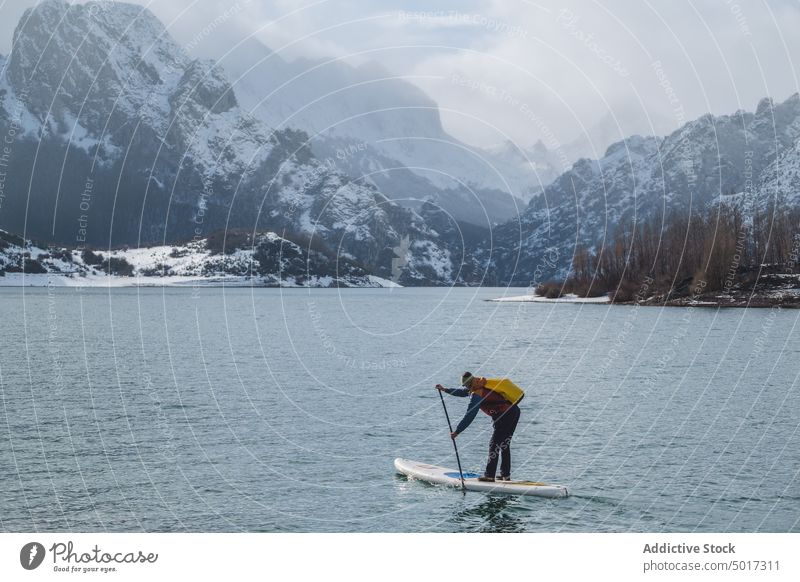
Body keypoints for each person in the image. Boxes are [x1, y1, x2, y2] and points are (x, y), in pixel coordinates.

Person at [436, 372, 523, 482]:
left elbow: (470, 415)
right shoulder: (479, 385)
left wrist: (457, 431)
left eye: (467, 386)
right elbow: (463, 393)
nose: (467, 388)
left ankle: (489, 475)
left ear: (470, 384)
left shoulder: (477, 393)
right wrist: (445, 390)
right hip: (513, 411)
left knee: (494, 443)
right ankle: (505, 475)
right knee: (504, 443)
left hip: (504, 415)